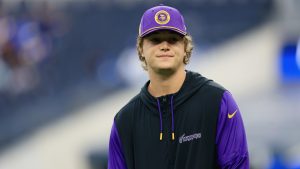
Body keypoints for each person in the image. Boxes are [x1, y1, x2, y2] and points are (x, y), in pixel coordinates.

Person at [108, 4, 249, 169]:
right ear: (141, 49)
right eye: (155, 39)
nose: (165, 45)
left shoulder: (217, 102)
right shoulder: (125, 121)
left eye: (173, 39)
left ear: (185, 47)